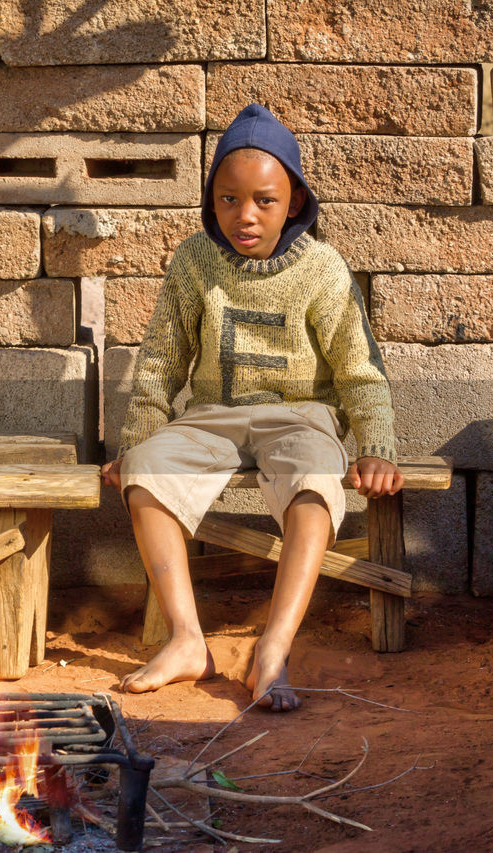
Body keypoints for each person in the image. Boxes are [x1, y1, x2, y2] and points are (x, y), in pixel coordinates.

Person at [100, 103, 404, 711]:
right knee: (146, 473)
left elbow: (358, 368)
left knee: (317, 481)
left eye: (264, 200)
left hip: (300, 417)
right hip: (210, 416)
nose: (245, 215)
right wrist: (135, 442)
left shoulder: (322, 269)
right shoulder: (194, 261)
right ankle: (188, 640)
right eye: (228, 199)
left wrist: (375, 448)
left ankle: (273, 648)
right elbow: (161, 358)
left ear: (293, 201)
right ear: (211, 200)